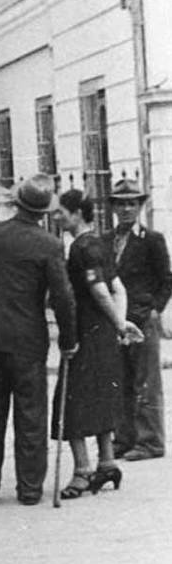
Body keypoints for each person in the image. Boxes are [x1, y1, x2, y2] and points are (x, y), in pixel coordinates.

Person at [0, 173, 77, 506]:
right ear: (43, 212)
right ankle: (29, 489)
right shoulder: (49, 245)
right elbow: (63, 297)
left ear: (17, 203)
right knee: (30, 416)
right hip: (27, 341)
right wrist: (69, 340)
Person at [51, 189, 144, 498]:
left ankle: (82, 472)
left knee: (73, 400)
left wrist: (120, 324)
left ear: (78, 213)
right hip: (103, 332)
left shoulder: (80, 248)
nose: (56, 216)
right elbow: (119, 289)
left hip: (84, 332)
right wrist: (119, 324)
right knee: (103, 395)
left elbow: (101, 291)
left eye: (61, 211)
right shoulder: (101, 244)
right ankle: (107, 463)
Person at [107, 178, 172, 461]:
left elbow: (166, 280)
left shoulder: (151, 240)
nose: (126, 209)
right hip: (117, 321)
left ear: (140, 206)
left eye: (132, 203)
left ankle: (151, 442)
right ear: (114, 208)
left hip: (142, 319)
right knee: (120, 379)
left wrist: (156, 309)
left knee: (147, 382)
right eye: (121, 204)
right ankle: (124, 438)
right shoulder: (108, 240)